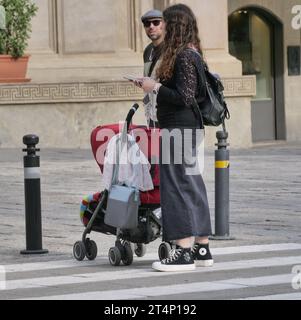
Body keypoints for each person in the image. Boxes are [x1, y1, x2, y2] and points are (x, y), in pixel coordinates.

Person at [135, 4, 214, 272]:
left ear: (175, 25)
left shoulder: (183, 56)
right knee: (191, 184)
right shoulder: (188, 53)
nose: (160, 27)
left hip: (178, 130)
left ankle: (183, 251)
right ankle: (201, 248)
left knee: (176, 187)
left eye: (165, 22)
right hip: (185, 130)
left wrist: (153, 86)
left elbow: (185, 96)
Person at [141, 9, 165, 127]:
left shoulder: (173, 49)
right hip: (151, 113)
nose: (151, 26)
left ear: (164, 24)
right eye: (147, 24)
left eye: (156, 22)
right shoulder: (147, 50)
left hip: (169, 114)